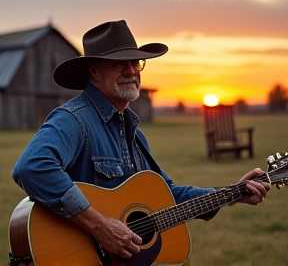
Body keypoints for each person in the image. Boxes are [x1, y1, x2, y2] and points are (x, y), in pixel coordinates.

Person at [11, 20, 270, 266]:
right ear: (94, 71)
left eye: (135, 62)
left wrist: (232, 193)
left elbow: (168, 197)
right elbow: (31, 168)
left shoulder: (134, 134)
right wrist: (100, 227)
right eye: (119, 63)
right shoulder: (75, 119)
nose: (132, 71)